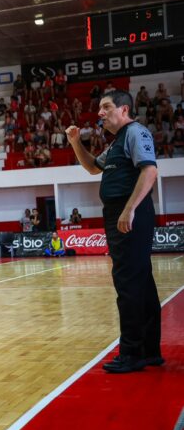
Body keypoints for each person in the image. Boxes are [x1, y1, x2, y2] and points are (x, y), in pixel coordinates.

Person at [66, 90, 162, 374]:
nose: (100, 113)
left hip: (129, 214)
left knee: (128, 285)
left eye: (106, 107)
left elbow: (150, 172)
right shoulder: (117, 142)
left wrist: (129, 209)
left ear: (123, 110)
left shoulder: (135, 132)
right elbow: (92, 167)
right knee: (140, 283)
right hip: (122, 214)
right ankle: (148, 351)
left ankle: (131, 353)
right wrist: (75, 142)